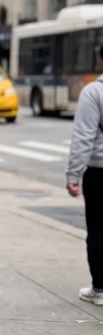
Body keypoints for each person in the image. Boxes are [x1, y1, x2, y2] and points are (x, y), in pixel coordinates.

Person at [65, 45, 103, 306]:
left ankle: (100, 288)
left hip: (100, 171)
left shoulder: (94, 92)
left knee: (99, 229)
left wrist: (74, 174)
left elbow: (84, 137)